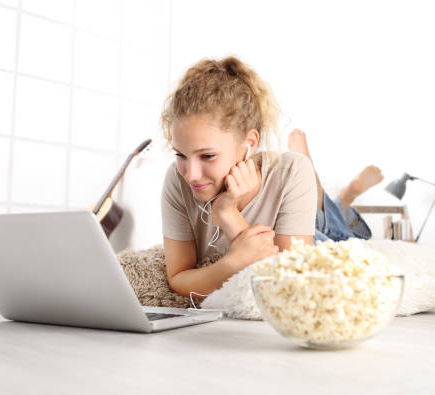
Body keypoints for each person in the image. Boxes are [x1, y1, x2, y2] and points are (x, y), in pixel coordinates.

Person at [159, 56, 382, 299]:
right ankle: (335, 201)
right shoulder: (176, 179)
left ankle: (342, 198)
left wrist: (228, 214)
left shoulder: (291, 172)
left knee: (341, 242)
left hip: (309, 231)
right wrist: (231, 264)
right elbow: (178, 279)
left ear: (249, 143)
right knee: (321, 225)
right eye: (181, 154)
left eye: (208, 156)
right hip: (291, 221)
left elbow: (289, 285)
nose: (191, 174)